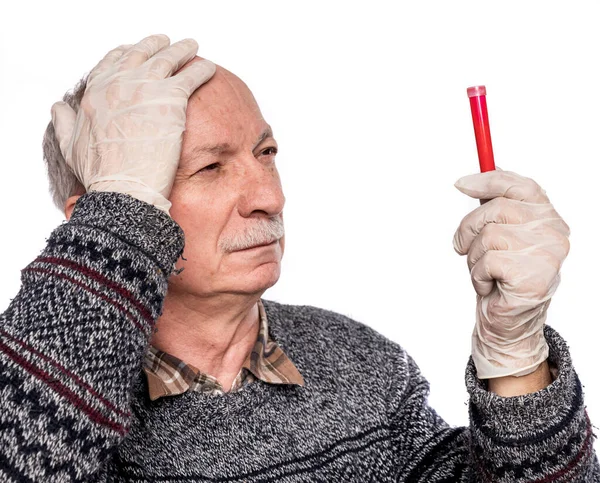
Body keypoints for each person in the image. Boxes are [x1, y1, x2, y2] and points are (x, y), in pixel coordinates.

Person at [0, 34, 597, 482]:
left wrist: (517, 356)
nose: (269, 198)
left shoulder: (358, 362)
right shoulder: (36, 390)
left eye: (266, 153)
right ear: (104, 215)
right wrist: (118, 216)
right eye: (209, 167)